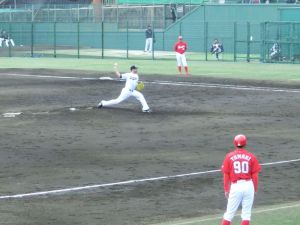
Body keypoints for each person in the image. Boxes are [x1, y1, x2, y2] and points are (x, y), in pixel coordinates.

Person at [220, 134, 261, 225]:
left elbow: (226, 175)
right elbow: (255, 176)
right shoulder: (251, 156)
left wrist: (226, 189)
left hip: (236, 187)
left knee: (228, 215)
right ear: (245, 144)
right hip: (248, 185)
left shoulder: (229, 156)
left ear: (235, 144)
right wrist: (255, 189)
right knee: (246, 215)